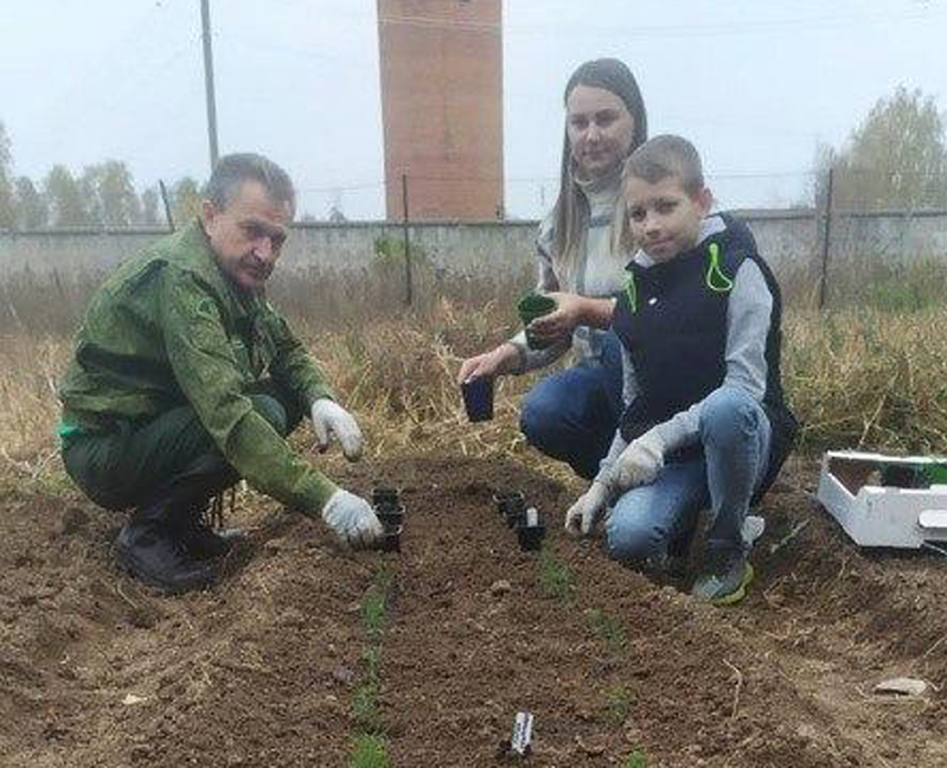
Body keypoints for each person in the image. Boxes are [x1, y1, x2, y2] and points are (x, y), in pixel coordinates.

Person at [58, 153, 383, 594]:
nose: (265, 253)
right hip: (105, 447)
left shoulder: (233, 273)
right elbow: (227, 415)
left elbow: (284, 347)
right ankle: (148, 534)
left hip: (150, 429)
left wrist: (318, 397)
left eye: (277, 240)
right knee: (258, 414)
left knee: (282, 400)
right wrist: (326, 499)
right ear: (210, 216)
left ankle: (180, 523)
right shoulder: (185, 280)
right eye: (252, 231)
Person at [564, 135, 798, 605]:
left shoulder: (737, 270)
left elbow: (745, 390)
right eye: (638, 214)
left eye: (666, 207)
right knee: (629, 539)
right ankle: (685, 519)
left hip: (739, 440)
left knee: (729, 409)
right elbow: (635, 406)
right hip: (675, 454)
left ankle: (728, 544)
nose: (651, 226)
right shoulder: (633, 290)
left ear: (701, 201)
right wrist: (603, 483)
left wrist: (658, 440)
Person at [456, 58, 647, 479]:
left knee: (623, 343)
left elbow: (674, 310)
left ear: (635, 120)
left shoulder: (657, 208)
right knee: (545, 412)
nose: (592, 135)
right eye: (579, 123)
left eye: (606, 119)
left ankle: (662, 474)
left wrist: (586, 309)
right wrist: (504, 355)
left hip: (665, 377)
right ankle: (615, 482)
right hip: (599, 380)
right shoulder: (558, 226)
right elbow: (552, 324)